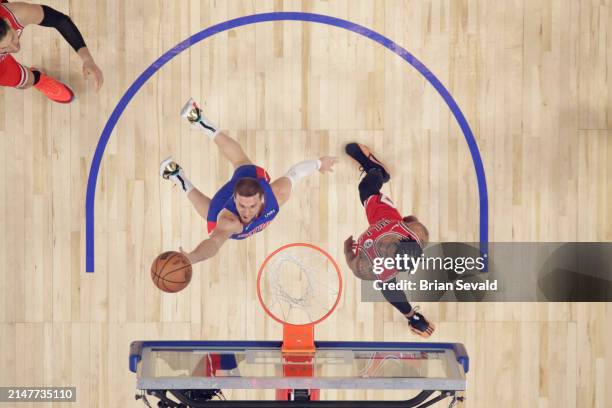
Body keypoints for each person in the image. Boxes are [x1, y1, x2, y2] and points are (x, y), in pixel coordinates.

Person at [160, 98, 337, 265]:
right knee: (238, 167)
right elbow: (214, 244)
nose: (246, 212)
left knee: (213, 211)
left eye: (252, 206)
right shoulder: (230, 220)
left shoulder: (277, 194)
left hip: (239, 197)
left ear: (261, 199)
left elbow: (295, 173)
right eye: (242, 206)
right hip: (229, 213)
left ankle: (178, 173)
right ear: (234, 199)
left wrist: (319, 164)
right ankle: (197, 121)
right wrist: (193, 257)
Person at [343, 143, 435, 338]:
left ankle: (378, 172)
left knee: (365, 192)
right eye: (390, 247)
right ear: (403, 239)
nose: (385, 248)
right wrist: (399, 222)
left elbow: (393, 293)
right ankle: (378, 170)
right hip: (383, 214)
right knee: (366, 188)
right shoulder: (417, 232)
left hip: (377, 221)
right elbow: (411, 219)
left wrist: (413, 317)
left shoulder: (371, 267)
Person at [0, 0, 103, 103]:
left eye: (13, 37)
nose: (16, 48)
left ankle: (37, 78)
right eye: (3, 48)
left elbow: (60, 21)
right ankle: (35, 79)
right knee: (24, 82)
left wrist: (87, 59)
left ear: (7, 22)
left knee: (27, 80)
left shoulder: (17, 13)